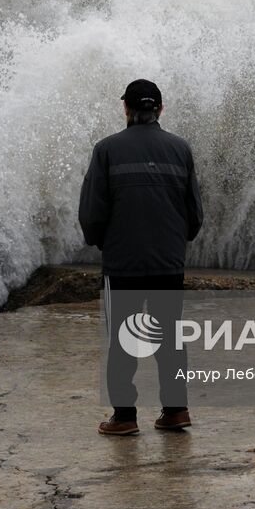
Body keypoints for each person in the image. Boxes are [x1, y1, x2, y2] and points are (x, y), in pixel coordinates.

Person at [78, 78, 203, 436]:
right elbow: (194, 213)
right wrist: (176, 244)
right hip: (168, 263)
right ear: (160, 109)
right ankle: (176, 410)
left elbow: (91, 213)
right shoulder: (181, 149)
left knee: (122, 339)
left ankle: (124, 417)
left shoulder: (106, 150)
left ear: (126, 109)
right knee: (170, 339)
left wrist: (102, 243)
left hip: (123, 264)